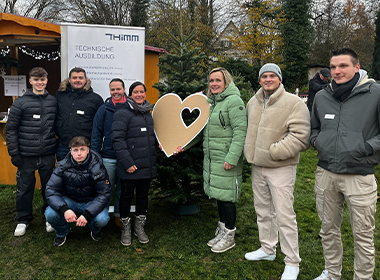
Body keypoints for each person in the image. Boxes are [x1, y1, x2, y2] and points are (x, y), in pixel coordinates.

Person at [310, 48, 379, 280]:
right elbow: (314, 127)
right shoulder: (321, 96)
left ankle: (362, 277)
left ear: (357, 67)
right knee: (328, 230)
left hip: (359, 175)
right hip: (326, 173)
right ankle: (332, 273)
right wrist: (316, 141)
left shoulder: (375, 93)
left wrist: (365, 148)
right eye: (333, 67)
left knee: (363, 235)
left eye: (343, 66)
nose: (337, 71)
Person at [243, 63, 310, 280]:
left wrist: (274, 152)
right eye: (264, 76)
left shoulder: (293, 103)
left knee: (284, 215)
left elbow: (300, 136)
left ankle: (292, 261)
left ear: (279, 79)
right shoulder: (253, 102)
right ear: (260, 79)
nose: (268, 79)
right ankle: (268, 249)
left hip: (280, 167)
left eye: (272, 75)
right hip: (258, 166)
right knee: (263, 210)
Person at [5, 67, 57, 237]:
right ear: (31, 81)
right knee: (24, 187)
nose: (40, 82)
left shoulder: (53, 101)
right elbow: (10, 129)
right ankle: (23, 219)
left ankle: (48, 215)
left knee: (49, 187)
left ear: (47, 80)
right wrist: (14, 153)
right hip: (26, 155)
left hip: (48, 153)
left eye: (42, 79)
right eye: (36, 79)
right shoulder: (20, 102)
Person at [203, 67, 247, 254]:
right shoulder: (211, 103)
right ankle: (222, 231)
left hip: (226, 159)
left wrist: (232, 158)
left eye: (218, 80)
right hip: (213, 159)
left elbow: (240, 132)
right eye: (211, 80)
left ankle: (229, 235)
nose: (214, 84)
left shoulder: (233, 101)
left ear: (226, 82)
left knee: (228, 198)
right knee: (220, 196)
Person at [112, 81, 157, 246]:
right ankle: (126, 228)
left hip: (146, 163)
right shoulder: (123, 112)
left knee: (143, 196)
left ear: (145, 94)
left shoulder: (148, 112)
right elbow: (117, 139)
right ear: (130, 94)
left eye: (142, 92)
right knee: (126, 197)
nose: (139, 95)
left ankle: (139, 227)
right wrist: (127, 162)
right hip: (129, 166)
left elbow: (152, 136)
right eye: (136, 92)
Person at [44, 136, 111, 247]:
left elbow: (104, 193)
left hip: (91, 201)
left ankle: (95, 230)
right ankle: (62, 232)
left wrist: (88, 214)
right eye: (75, 150)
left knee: (102, 219)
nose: (79, 153)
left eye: (82, 149)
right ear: (71, 151)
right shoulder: (62, 166)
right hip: (70, 200)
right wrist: (64, 209)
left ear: (88, 150)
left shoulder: (98, 166)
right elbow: (51, 190)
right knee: (50, 214)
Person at [91, 78, 126, 228]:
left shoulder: (131, 107)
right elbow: (96, 133)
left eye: (118, 89)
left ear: (124, 89)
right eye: (113, 89)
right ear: (110, 91)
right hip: (108, 157)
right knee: (106, 189)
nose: (116, 92)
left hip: (126, 157)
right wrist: (95, 154)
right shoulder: (103, 109)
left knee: (122, 189)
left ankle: (119, 215)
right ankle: (102, 215)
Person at [55, 67, 104, 161]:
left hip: (85, 148)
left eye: (80, 78)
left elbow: (99, 126)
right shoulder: (60, 96)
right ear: (69, 80)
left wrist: (95, 147)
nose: (77, 80)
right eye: (74, 78)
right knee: (62, 174)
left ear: (85, 80)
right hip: (64, 146)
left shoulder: (95, 99)